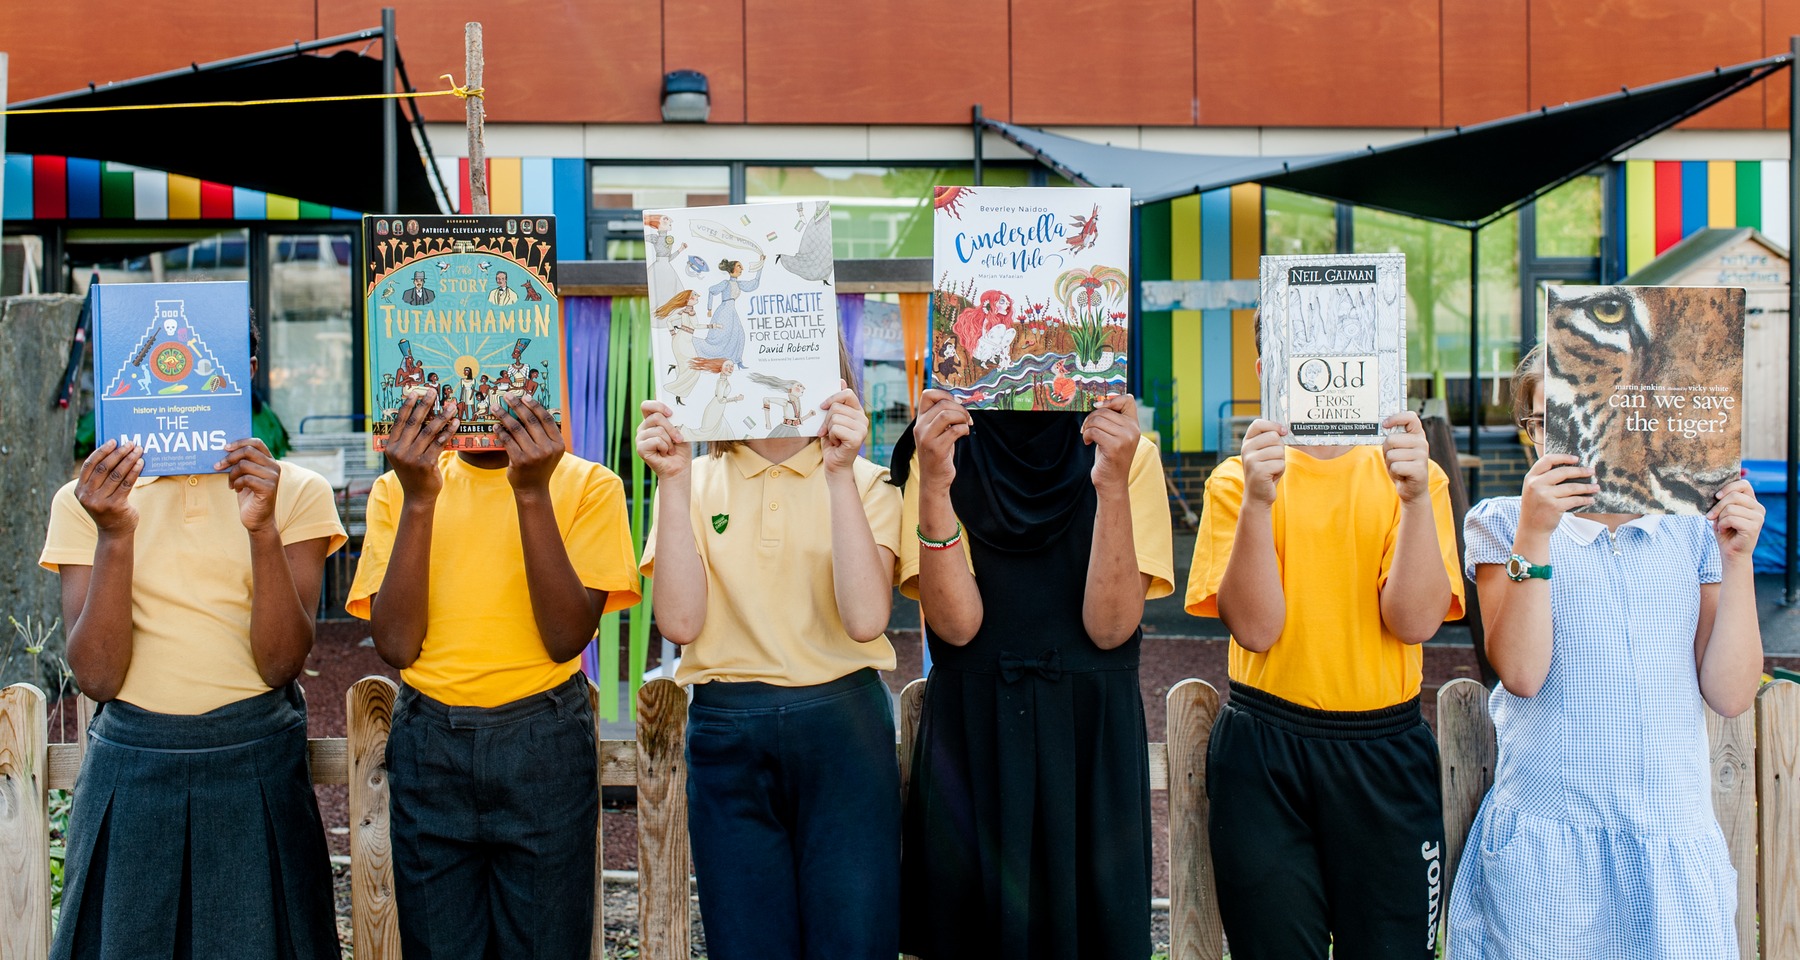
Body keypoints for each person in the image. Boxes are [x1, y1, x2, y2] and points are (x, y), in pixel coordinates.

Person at [1447, 345, 1763, 958]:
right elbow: (1521, 673)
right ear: (1530, 433)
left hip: (1669, 840)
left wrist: (1737, 560)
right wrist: (1535, 533)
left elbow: (1729, 694)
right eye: (1548, 421)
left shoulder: (1691, 530)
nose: (1571, 436)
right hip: (1549, 851)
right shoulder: (1504, 524)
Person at [41, 328, 346, 960]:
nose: (174, 384)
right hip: (133, 759)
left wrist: (261, 528)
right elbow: (97, 678)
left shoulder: (296, 491)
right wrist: (115, 534)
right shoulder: (87, 502)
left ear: (249, 370)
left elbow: (281, 663)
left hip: (256, 757)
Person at [1186, 319, 1463, 960]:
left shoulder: (1413, 479)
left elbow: (1415, 622)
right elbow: (1256, 630)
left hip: (1385, 746)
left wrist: (1415, 500)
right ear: (1266, 371)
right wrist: (1258, 501)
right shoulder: (1236, 481)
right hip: (1265, 750)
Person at [346, 390, 641, 958]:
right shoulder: (399, 489)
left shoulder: (590, 485)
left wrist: (531, 492)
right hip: (430, 744)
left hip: (544, 741)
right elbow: (398, 646)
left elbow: (565, 639)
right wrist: (420, 499)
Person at [635, 342, 901, 960]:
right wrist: (673, 481)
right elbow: (679, 622)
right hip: (728, 728)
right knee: (746, 940)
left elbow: (866, 619)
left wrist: (839, 472)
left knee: (855, 939)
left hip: (843, 727)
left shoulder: (870, 482)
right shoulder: (693, 481)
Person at [894, 389, 1175, 960]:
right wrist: (935, 485)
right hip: (976, 733)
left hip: (1088, 738)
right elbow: (957, 626)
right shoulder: (940, 447)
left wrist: (1112, 485)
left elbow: (1110, 628)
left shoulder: (1125, 450)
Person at [695, 257, 764, 367]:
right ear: (732, 269)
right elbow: (711, 290)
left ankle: (737, 361)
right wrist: (709, 309)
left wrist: (761, 265)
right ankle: (720, 359)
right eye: (739, 266)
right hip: (724, 312)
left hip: (732, 311)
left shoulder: (739, 284)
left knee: (740, 335)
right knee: (722, 337)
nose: (742, 269)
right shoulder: (726, 283)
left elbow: (754, 283)